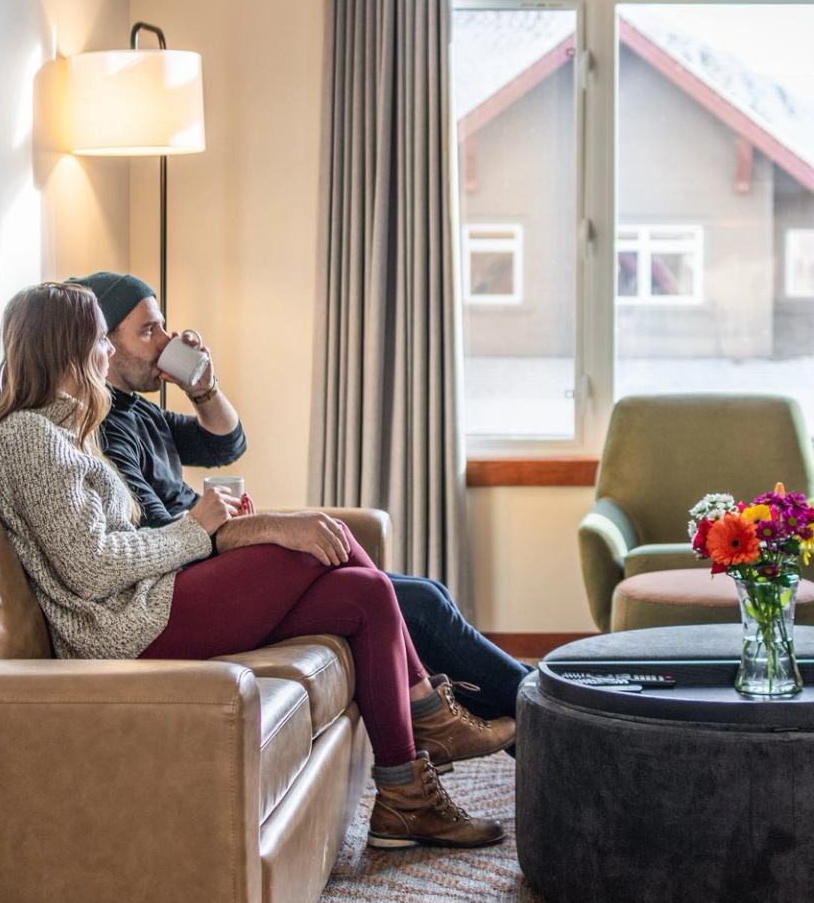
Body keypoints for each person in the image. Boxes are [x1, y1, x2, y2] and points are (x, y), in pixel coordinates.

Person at [0, 282, 507, 850]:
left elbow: (222, 445)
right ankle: (426, 710)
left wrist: (203, 401)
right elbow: (93, 568)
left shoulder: (68, 429)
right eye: (97, 343)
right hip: (124, 631)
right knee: (325, 537)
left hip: (150, 599)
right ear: (68, 348)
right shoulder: (29, 436)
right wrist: (196, 528)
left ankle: (404, 799)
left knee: (366, 593)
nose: (106, 353)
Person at [65, 271, 531, 734]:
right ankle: (533, 711)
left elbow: (224, 445)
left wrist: (202, 386)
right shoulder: (103, 429)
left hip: (212, 564)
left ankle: (517, 723)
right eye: (149, 332)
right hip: (187, 588)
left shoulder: (138, 409)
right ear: (101, 346)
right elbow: (165, 532)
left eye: (163, 326)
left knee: (427, 597)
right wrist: (266, 528)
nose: (165, 342)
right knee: (420, 602)